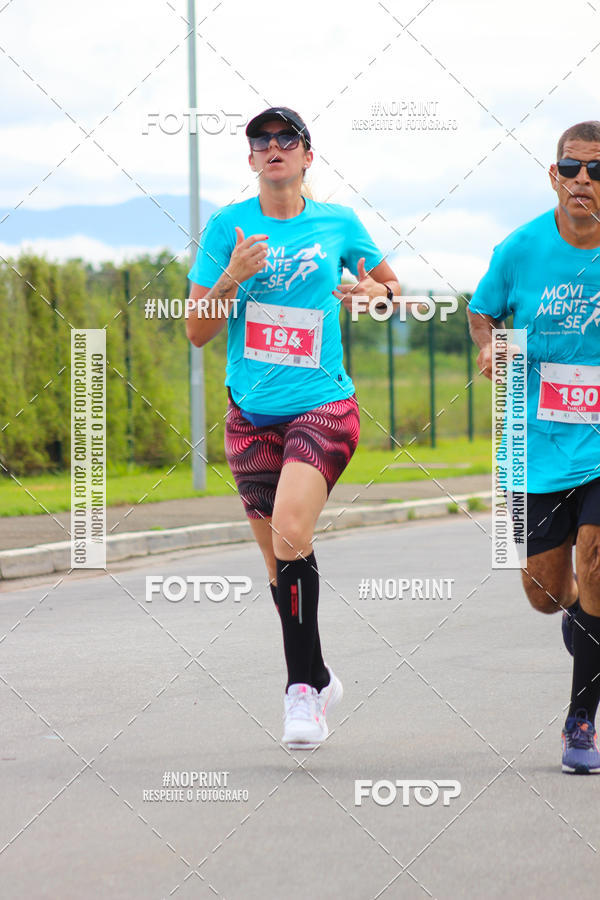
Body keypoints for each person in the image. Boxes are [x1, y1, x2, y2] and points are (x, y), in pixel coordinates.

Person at [186, 107, 401, 750]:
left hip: (323, 405)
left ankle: (298, 693)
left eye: (287, 140)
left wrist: (374, 297)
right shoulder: (228, 227)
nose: (274, 148)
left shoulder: (338, 222)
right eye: (262, 141)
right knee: (282, 564)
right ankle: (319, 672)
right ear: (251, 160)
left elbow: (388, 289)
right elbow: (197, 329)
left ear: (308, 156)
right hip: (251, 416)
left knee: (289, 533)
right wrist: (232, 277)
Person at [468, 120, 600, 773]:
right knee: (547, 593)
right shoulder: (520, 249)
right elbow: (482, 308)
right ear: (554, 175)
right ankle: (582, 620)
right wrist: (490, 343)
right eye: (571, 169)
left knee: (598, 564)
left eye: (596, 171)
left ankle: (581, 723)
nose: (583, 181)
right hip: (535, 444)